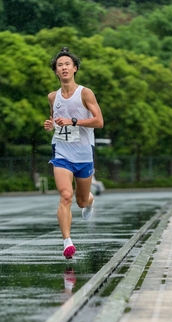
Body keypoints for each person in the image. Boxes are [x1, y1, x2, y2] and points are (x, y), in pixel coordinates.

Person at [43, 47, 104, 259]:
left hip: (84, 153)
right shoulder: (53, 96)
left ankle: (90, 199)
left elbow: (99, 121)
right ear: (56, 72)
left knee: (80, 200)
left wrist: (74, 121)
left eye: (67, 64)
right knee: (65, 196)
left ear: (75, 68)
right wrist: (51, 125)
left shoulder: (85, 93)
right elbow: (55, 119)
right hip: (62, 151)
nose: (64, 68)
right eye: (60, 65)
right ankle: (67, 242)